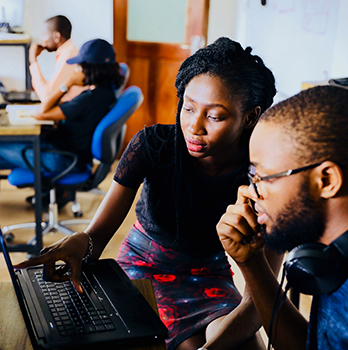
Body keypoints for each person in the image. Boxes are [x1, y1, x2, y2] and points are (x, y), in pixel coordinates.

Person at [15, 37, 279, 350]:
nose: (194, 126)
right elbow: (96, 236)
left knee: (246, 346)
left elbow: (261, 300)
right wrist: (80, 242)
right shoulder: (153, 146)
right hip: (142, 269)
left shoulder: (264, 177)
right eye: (188, 107)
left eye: (214, 116)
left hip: (209, 279)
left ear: (249, 116)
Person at [216, 85, 348, 350]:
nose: (248, 191)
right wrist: (252, 263)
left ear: (326, 180)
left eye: (263, 177)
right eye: (251, 175)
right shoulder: (330, 257)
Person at [0, 38, 124, 176]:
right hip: (68, 154)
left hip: (62, 159)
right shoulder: (106, 93)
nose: (76, 69)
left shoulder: (89, 99)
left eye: (79, 66)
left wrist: (68, 83)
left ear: (89, 69)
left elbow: (41, 113)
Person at [29, 15, 85, 103]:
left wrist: (33, 60)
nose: (42, 39)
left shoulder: (68, 56)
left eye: (44, 34)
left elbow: (47, 97)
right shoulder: (68, 51)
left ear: (57, 36)